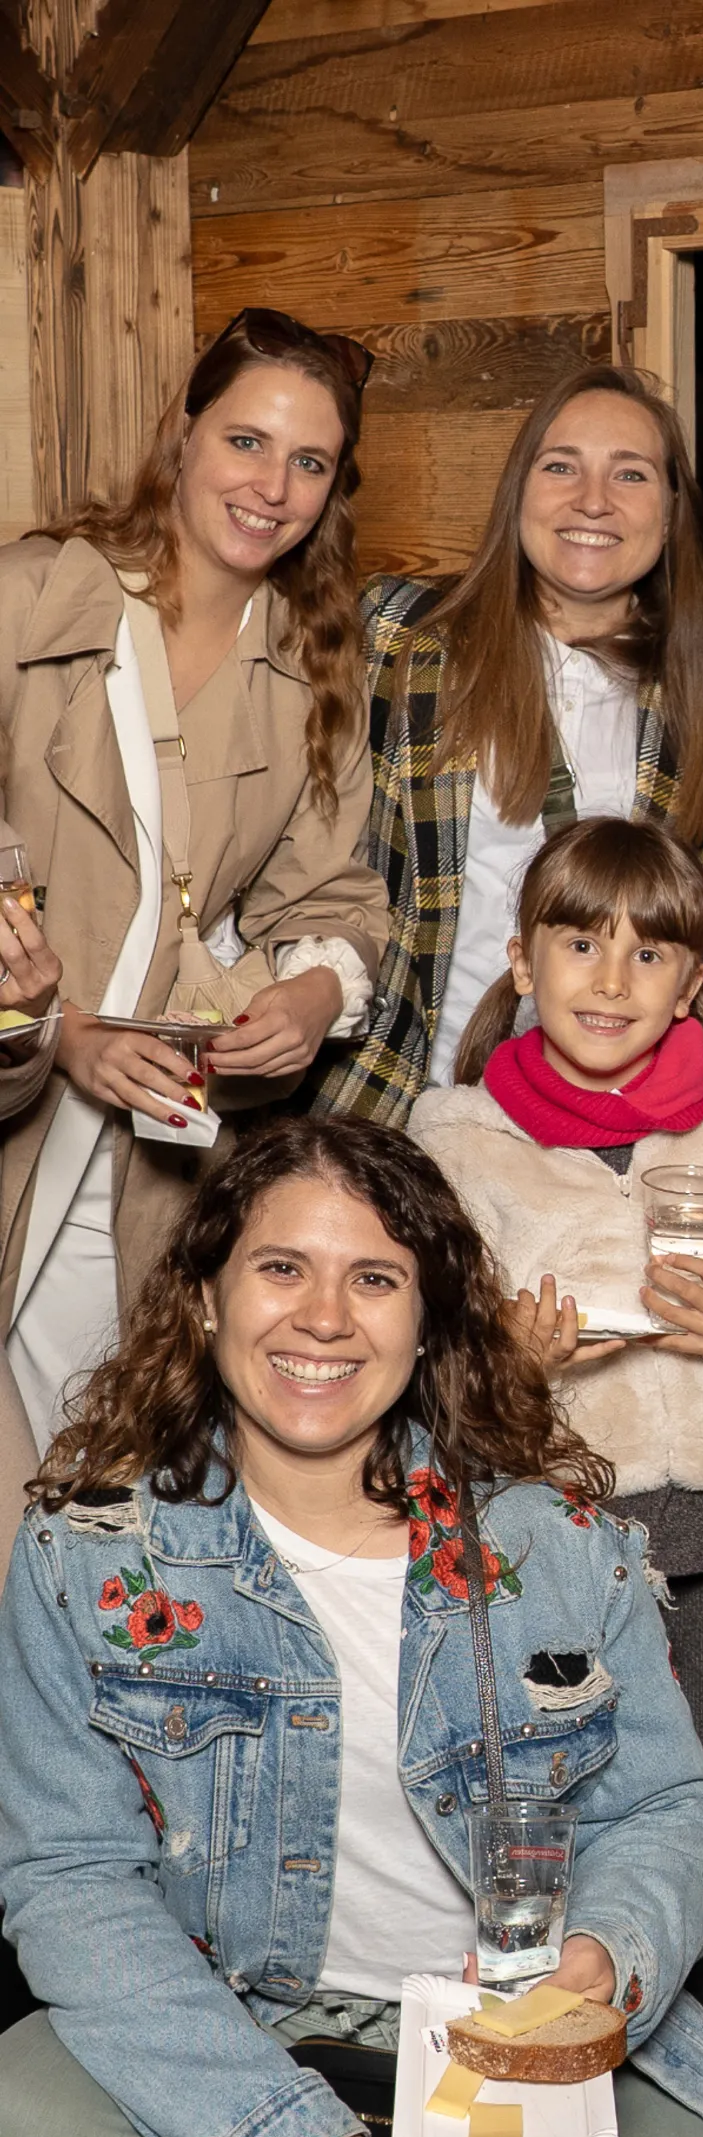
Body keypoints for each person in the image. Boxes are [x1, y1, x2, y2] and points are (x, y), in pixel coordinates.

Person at [0, 1118, 703, 2137]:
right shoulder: (91, 1561)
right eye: (280, 1270)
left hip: (519, 2025)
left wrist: (606, 1960)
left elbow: (667, 1805)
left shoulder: (553, 1541)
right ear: (205, 1297)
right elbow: (68, 1881)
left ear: (429, 1317)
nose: (323, 1317)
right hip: (241, 2002)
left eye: (375, 1279)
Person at [410, 814, 703, 2137]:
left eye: (649, 952)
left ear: (693, 983)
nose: (611, 980)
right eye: (578, 943)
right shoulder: (455, 1139)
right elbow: (410, 1346)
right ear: (520, 957)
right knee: (538, 1835)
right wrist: (506, 1363)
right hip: (547, 1536)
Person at [0, 307, 390, 1481]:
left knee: (90, 1470)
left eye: (309, 460)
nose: (272, 486)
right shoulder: (30, 601)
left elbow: (330, 890)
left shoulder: (317, 663)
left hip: (152, 1152)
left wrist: (316, 992)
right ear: (182, 435)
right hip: (17, 1092)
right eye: (246, 441)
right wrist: (58, 1031)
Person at [314, 361, 703, 1129]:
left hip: (597, 1109)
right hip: (398, 1091)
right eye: (561, 467)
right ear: (520, 490)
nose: (592, 501)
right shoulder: (400, 635)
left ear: (673, 509)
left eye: (632, 475)